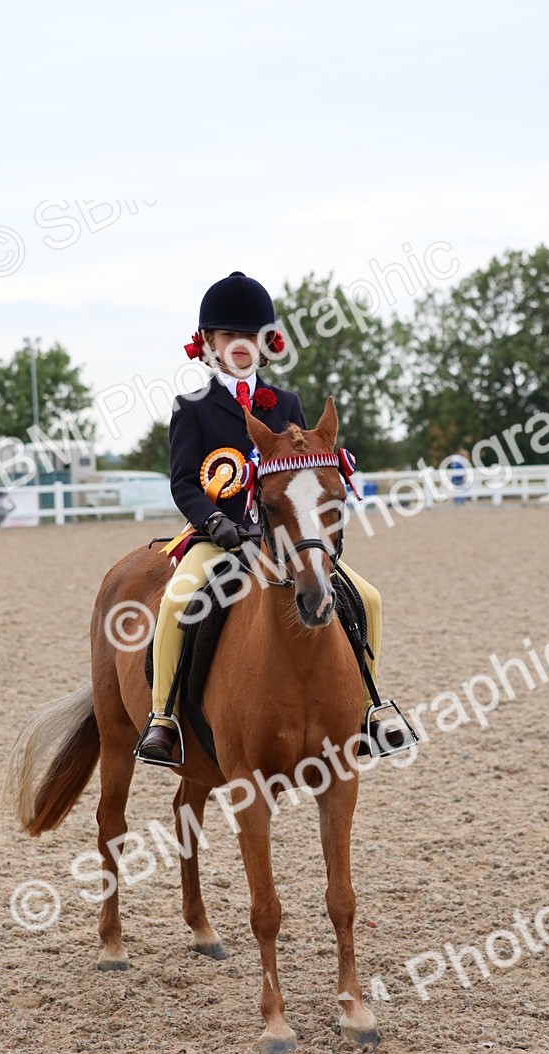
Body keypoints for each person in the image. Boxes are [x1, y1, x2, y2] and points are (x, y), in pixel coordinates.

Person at [136, 270, 410, 765]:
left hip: (284, 538)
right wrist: (215, 523)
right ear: (209, 345)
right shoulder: (192, 407)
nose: (240, 344)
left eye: (251, 336)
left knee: (367, 597)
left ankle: (370, 706)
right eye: (228, 335)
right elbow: (182, 482)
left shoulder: (285, 404)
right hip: (215, 537)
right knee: (178, 599)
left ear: (267, 344)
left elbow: (302, 474)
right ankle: (164, 718)